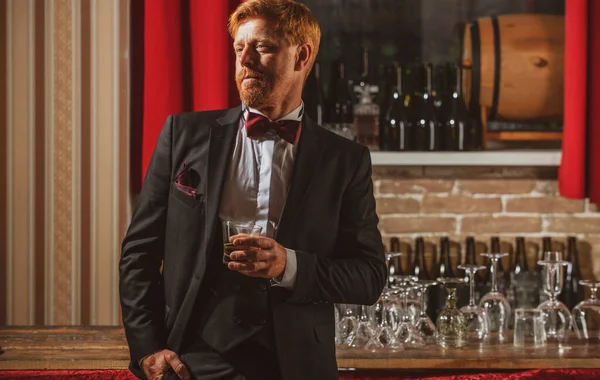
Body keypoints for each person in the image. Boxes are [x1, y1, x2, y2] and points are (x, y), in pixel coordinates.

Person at [119, 1, 386, 379]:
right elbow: (139, 253)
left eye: (262, 47)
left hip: (299, 365)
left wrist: (286, 265)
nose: (244, 60)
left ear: (302, 56)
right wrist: (147, 348)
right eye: (238, 48)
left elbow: (369, 276)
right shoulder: (183, 135)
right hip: (195, 360)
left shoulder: (345, 160)